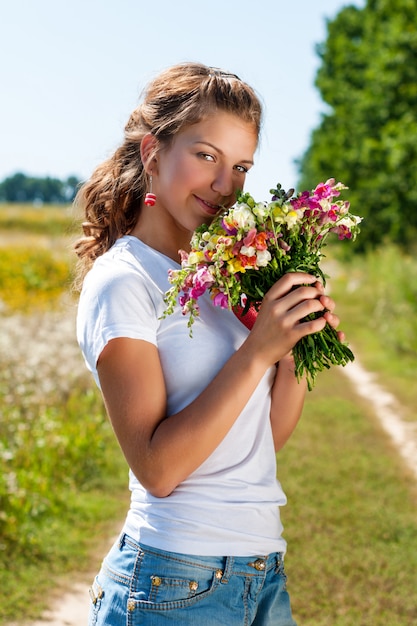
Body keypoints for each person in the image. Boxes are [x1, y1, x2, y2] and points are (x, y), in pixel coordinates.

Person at [75, 61, 343, 626]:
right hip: (173, 581)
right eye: (206, 156)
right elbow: (158, 469)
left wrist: (291, 354)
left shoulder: (218, 278)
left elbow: (257, 443)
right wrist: (256, 352)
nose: (227, 185)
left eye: (242, 165)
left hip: (261, 572)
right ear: (152, 153)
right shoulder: (126, 280)